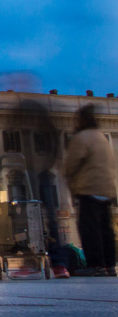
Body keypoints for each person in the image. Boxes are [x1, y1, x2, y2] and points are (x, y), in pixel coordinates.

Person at [64, 104, 117, 276]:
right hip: (106, 189)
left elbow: (71, 165)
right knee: (105, 230)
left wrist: (71, 181)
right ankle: (109, 265)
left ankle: (96, 265)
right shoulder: (101, 137)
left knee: (90, 229)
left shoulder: (82, 138)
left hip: (89, 189)